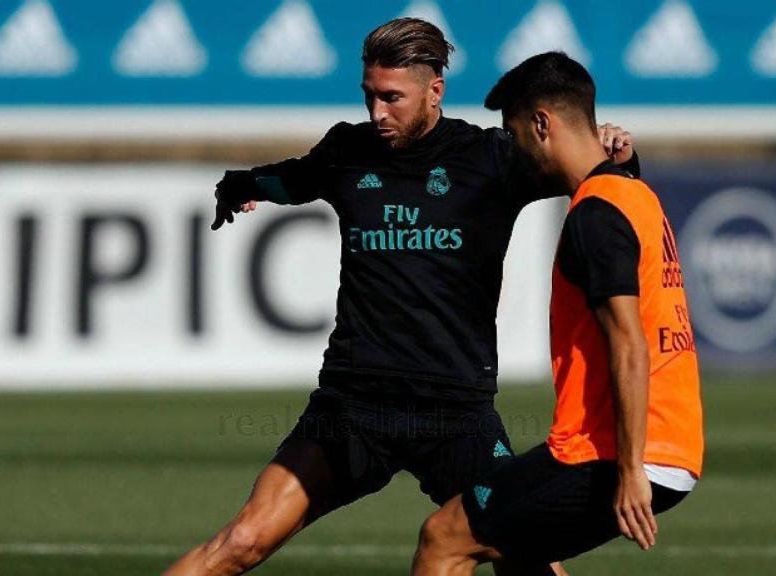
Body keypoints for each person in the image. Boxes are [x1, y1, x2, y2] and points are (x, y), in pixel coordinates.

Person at [163, 20, 637, 576]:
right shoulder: (347, 150)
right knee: (241, 541)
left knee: (526, 559)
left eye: (392, 98)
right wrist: (242, 185)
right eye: (369, 96)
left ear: (434, 89)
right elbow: (292, 180)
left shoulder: (493, 158)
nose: (377, 113)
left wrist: (619, 156)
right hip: (354, 408)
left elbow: (585, 174)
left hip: (456, 413)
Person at [410, 51, 704, 576]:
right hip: (664, 446)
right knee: (517, 550)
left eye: (515, 132)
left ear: (541, 124)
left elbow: (629, 343)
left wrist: (631, 469)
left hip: (613, 453)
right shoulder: (634, 194)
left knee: (444, 538)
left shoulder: (596, 212)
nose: (514, 150)